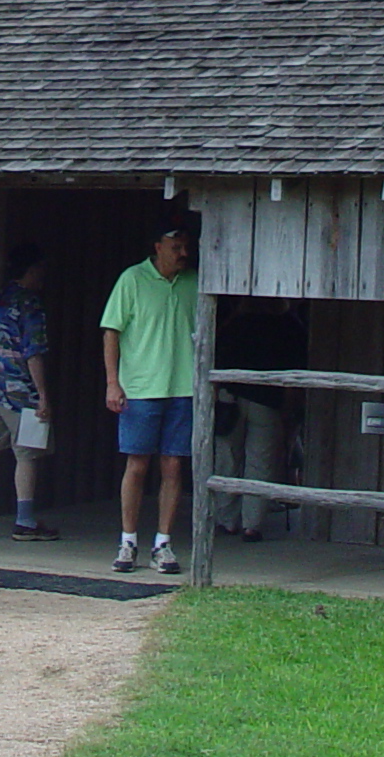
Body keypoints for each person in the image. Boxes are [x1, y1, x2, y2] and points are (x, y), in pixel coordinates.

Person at [101, 221, 198, 574]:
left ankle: (163, 543)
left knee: (173, 466)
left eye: (186, 246)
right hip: (141, 388)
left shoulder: (194, 282)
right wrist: (113, 382)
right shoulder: (132, 279)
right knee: (137, 465)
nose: (183, 253)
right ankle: (128, 541)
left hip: (183, 388)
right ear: (158, 247)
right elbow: (111, 331)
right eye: (176, 247)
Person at [0, 243, 58, 542]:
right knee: (27, 454)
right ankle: (25, 520)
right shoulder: (30, 304)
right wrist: (43, 394)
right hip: (22, 391)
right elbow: (34, 351)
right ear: (31, 271)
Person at [211, 297, 305, 542]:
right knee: (261, 463)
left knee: (227, 459)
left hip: (230, 396)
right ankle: (252, 525)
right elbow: (294, 374)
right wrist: (290, 411)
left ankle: (227, 520)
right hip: (268, 400)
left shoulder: (235, 324)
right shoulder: (291, 327)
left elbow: (217, 357)